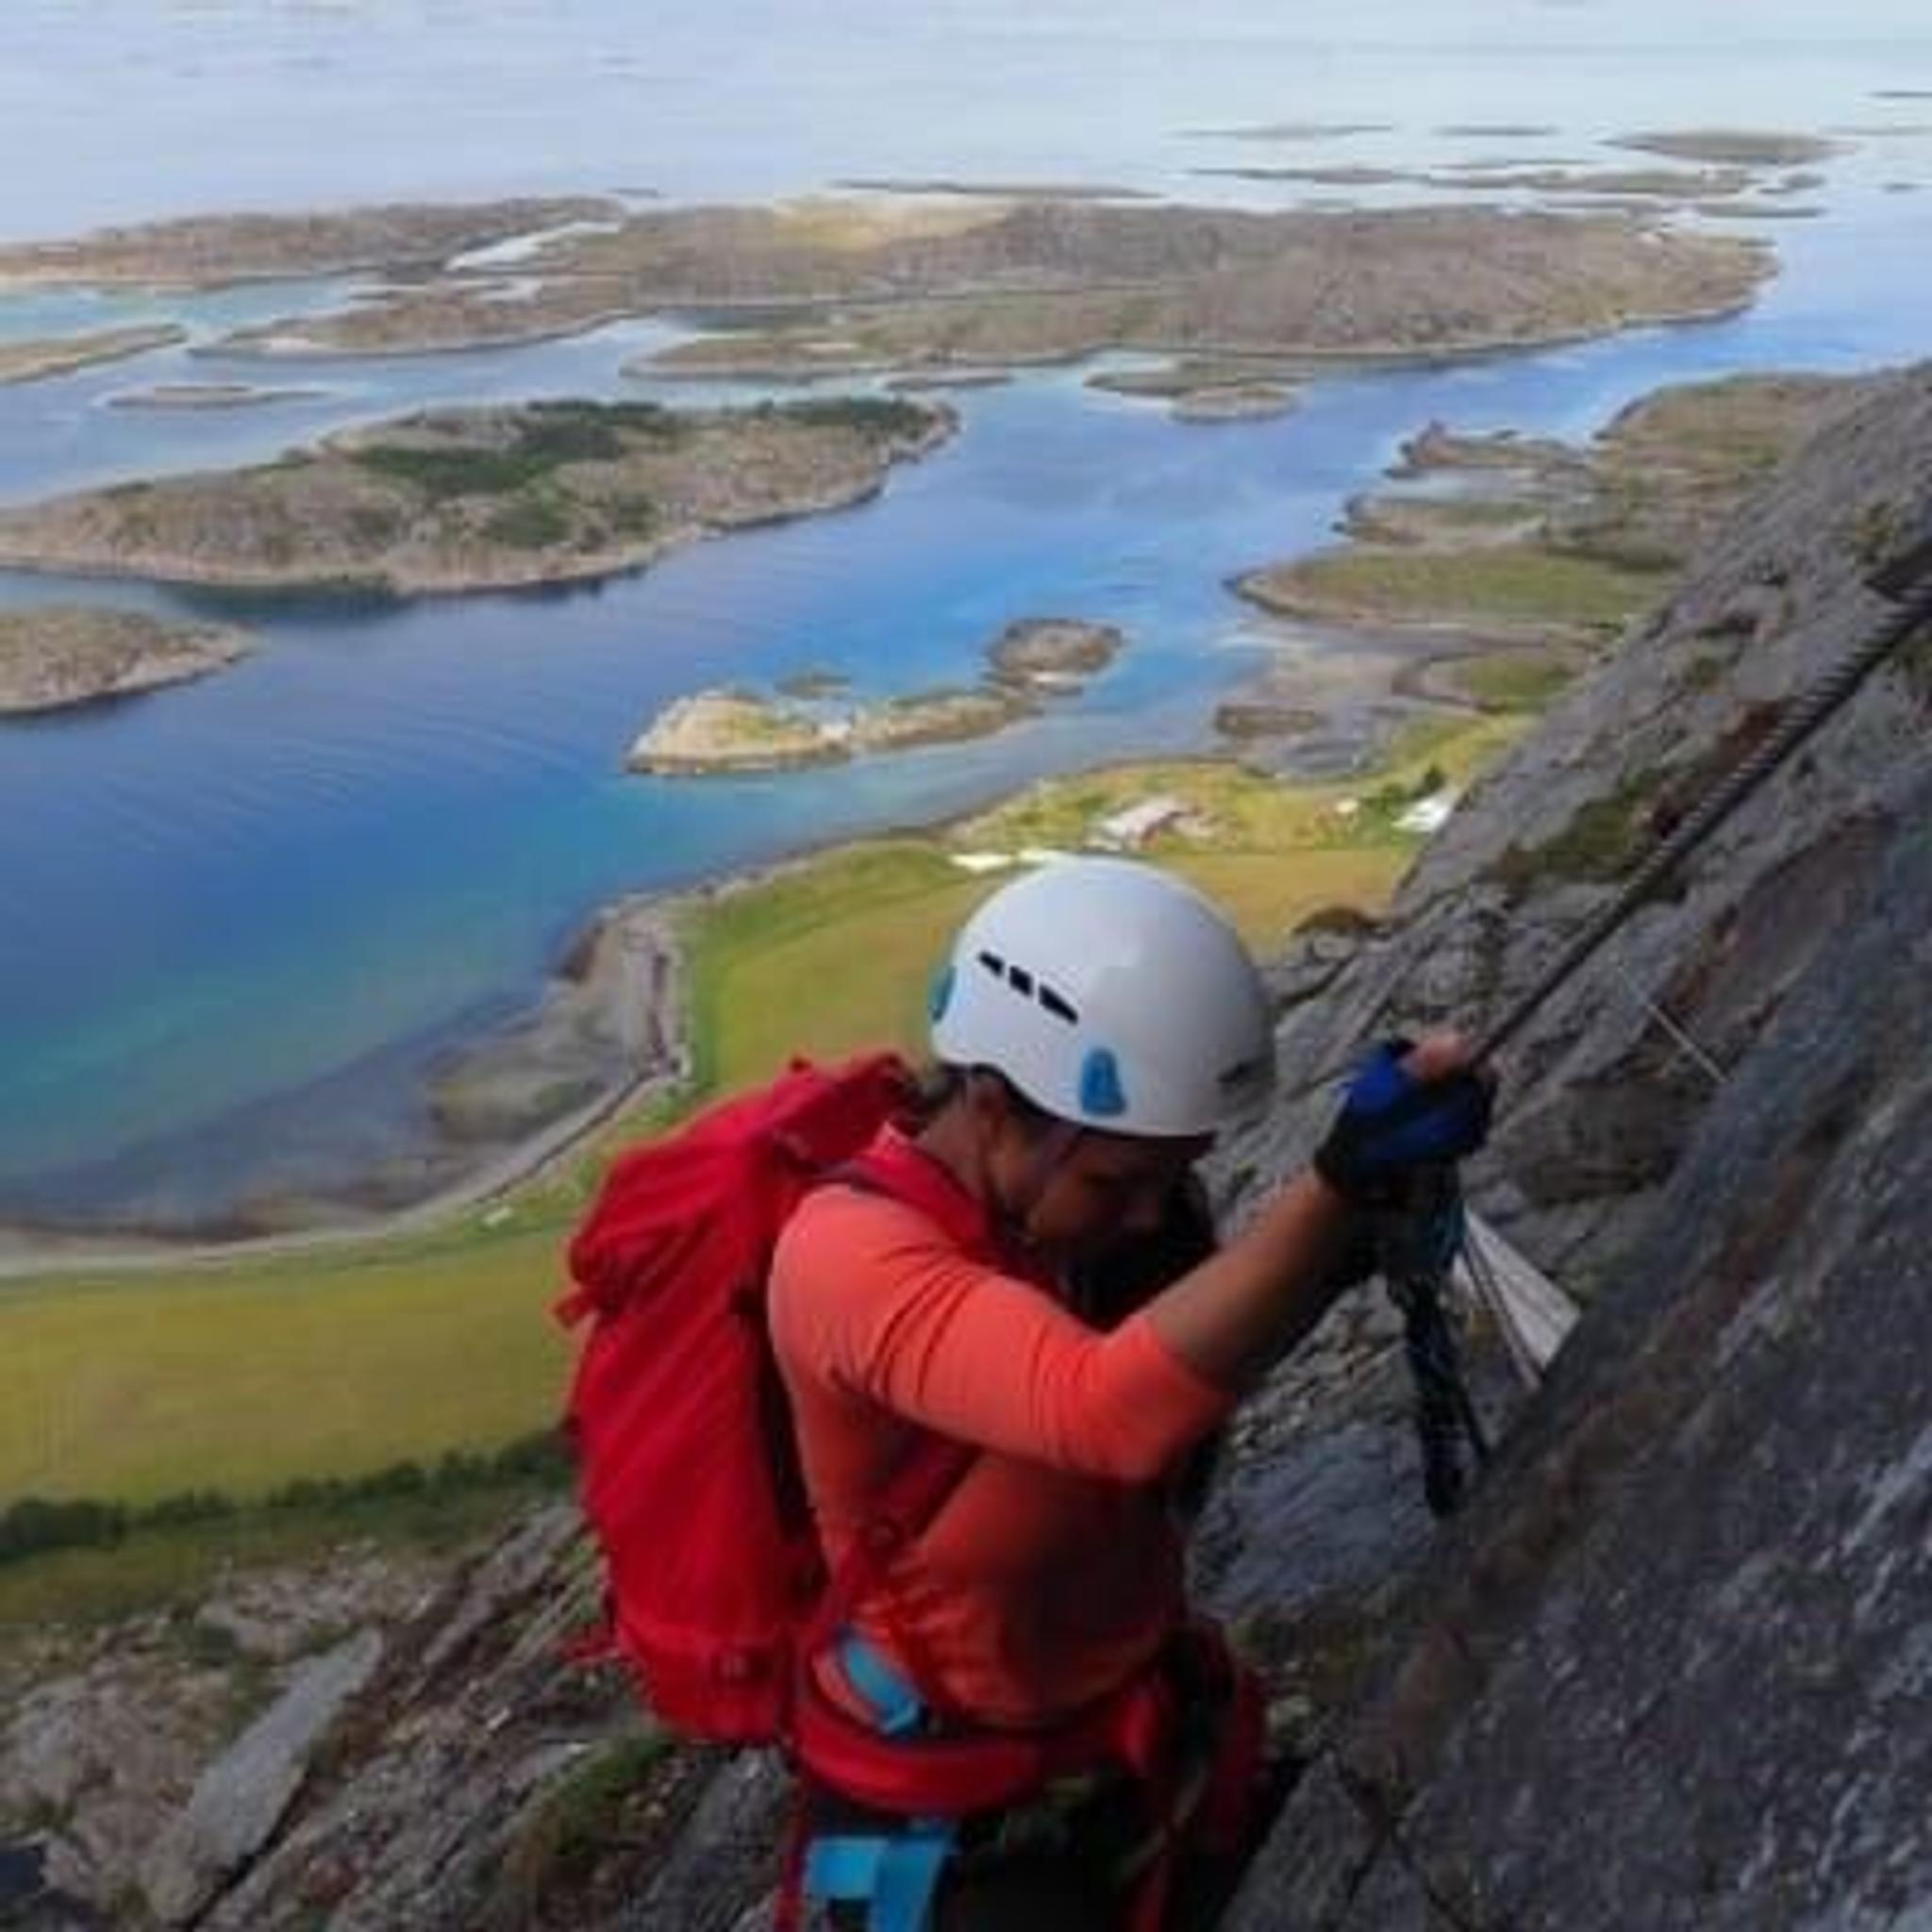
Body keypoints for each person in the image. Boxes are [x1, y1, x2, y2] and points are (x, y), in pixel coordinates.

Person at [769, 857, 1491, 1929]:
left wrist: (1349, 1228)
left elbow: (1187, 1372)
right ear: (989, 1104)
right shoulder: (849, 1257)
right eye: (1118, 1180)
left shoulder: (1071, 1226)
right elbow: (1104, 1413)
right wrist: (1331, 1184)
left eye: (1169, 1173)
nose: (1152, 1215)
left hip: (1130, 1739)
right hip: (951, 1818)